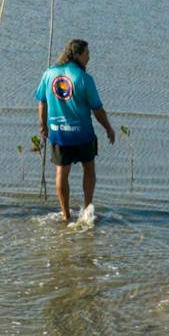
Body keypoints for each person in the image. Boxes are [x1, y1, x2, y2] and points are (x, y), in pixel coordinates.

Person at [34, 39, 116, 222]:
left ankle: (65, 214)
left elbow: (42, 101)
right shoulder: (84, 78)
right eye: (87, 53)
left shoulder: (49, 73)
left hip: (58, 132)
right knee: (89, 168)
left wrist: (43, 125)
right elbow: (97, 109)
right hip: (82, 133)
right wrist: (109, 128)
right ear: (77, 54)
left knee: (61, 173)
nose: (89, 57)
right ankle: (87, 209)